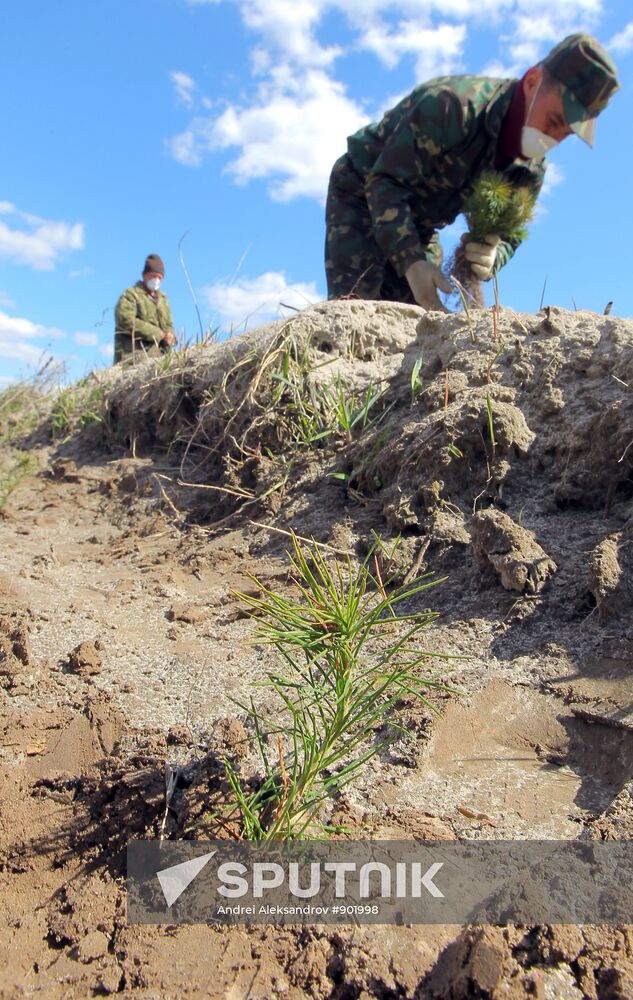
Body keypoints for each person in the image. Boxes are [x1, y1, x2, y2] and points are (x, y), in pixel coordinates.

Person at [325, 33, 619, 310]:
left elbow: (510, 233)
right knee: (356, 313)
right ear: (532, 82)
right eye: (554, 119)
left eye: (565, 133)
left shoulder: (529, 169)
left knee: (418, 326)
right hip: (360, 195)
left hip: (421, 227)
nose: (553, 136)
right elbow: (384, 183)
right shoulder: (452, 106)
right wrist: (411, 261)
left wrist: (493, 255)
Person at [114, 254, 177, 363]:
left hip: (159, 359)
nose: (156, 280)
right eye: (153, 276)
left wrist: (171, 337)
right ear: (144, 275)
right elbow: (125, 320)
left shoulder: (164, 299)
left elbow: (169, 325)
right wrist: (158, 334)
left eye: (159, 277)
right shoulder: (131, 294)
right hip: (132, 358)